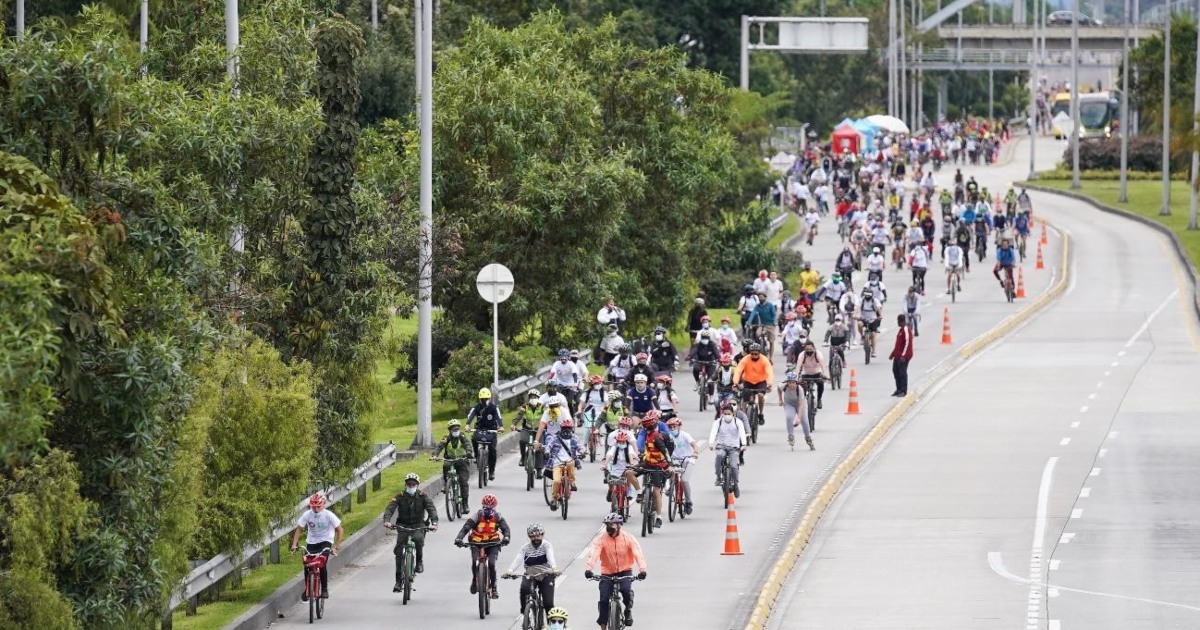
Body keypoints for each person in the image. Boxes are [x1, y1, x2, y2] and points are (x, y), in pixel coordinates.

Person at [584, 514, 648, 629]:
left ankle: (628, 610)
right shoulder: (601, 539)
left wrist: (642, 570)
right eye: (607, 525)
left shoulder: (628, 538)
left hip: (625, 571)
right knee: (603, 599)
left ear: (618, 526)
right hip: (607, 572)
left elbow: (638, 553)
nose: (608, 528)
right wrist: (589, 569)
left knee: (626, 591)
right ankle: (603, 626)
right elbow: (593, 553)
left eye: (611, 525)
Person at [382, 474, 438, 589]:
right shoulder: (400, 496)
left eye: (413, 484)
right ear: (406, 485)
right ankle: (398, 581)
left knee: (418, 539)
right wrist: (387, 521)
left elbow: (431, 509)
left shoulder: (423, 496)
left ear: (417, 485)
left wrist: (434, 523)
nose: (411, 486)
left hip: (418, 525)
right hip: (403, 526)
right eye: (409, 484)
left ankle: (419, 562)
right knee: (398, 552)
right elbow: (390, 508)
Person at [454, 494, 511, 599]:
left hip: (492, 543)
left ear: (495, 507)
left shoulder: (498, 516)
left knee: (492, 564)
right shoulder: (477, 516)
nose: (488, 509)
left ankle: (494, 587)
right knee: (475, 561)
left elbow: (505, 529)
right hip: (476, 542)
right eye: (485, 507)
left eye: (491, 507)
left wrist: (506, 538)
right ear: (482, 506)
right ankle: (475, 580)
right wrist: (459, 538)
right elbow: (466, 528)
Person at [291, 493, 344, 600]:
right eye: (313, 506)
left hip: (325, 541)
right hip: (312, 542)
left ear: (323, 505)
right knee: (307, 564)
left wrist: (336, 546)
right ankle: (307, 590)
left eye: (318, 506)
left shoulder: (328, 515)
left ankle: (324, 589)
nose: (315, 508)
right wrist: (294, 544)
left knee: (322, 564)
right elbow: (299, 529)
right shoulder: (307, 515)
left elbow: (340, 530)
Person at [503, 524, 559, 615]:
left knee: (548, 603)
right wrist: (510, 570)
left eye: (538, 536)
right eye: (532, 536)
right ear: (529, 537)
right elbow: (518, 559)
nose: (536, 538)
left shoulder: (546, 545)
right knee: (524, 588)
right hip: (530, 574)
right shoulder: (525, 547)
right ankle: (524, 612)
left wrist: (554, 568)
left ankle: (551, 626)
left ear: (542, 535)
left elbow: (550, 556)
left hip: (546, 574)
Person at [637, 412, 672, 527]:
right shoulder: (646, 434)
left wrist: (670, 464)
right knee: (629, 472)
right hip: (647, 464)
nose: (643, 428)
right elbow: (641, 446)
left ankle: (658, 517)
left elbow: (665, 451)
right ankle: (639, 494)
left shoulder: (656, 437)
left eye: (645, 426)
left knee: (657, 491)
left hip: (658, 466)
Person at [708, 404, 747, 496]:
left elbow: (742, 433)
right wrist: (711, 443)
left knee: (734, 466)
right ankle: (718, 477)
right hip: (722, 446)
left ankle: (736, 484)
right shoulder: (718, 422)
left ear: (733, 414)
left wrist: (744, 444)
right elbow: (713, 432)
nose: (727, 415)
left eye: (729, 414)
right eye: (725, 413)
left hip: (734, 448)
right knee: (719, 456)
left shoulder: (738, 422)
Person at [432, 419, 471, 510]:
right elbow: (439, 446)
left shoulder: (462, 436)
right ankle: (446, 484)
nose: (456, 431)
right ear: (449, 430)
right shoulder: (446, 438)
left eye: (457, 429)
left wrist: (469, 452)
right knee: (446, 465)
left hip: (462, 460)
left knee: (463, 482)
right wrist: (435, 455)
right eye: (453, 430)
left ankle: (465, 505)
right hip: (450, 460)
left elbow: (467, 444)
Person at [467, 388, 504, 481]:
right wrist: (467, 424)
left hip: (491, 431)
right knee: (473, 439)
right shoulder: (477, 407)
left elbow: (499, 418)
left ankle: (491, 471)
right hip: (479, 429)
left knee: (492, 450)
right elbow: (471, 416)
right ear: (480, 399)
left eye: (486, 399)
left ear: (489, 398)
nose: (484, 401)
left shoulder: (494, 407)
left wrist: (501, 426)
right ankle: (476, 456)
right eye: (482, 399)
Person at [546, 419, 584, 511]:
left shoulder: (574, 438)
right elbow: (549, 446)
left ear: (571, 429)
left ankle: (572, 482)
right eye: (564, 428)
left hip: (569, 460)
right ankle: (554, 498)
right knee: (556, 481)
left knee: (571, 463)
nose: (567, 430)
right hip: (557, 463)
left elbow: (579, 447)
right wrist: (547, 451)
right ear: (561, 429)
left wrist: (582, 451)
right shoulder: (555, 438)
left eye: (569, 428)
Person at [665, 417, 697, 515]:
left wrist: (695, 451)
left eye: (674, 426)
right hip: (674, 460)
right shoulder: (667, 436)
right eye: (670, 427)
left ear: (679, 427)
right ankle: (669, 487)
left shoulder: (685, 435)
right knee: (668, 472)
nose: (672, 429)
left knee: (684, 480)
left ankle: (688, 502)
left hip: (688, 459)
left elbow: (693, 444)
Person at [733, 343, 774, 418]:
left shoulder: (764, 360)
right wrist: (735, 382)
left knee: (760, 395)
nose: (753, 355)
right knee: (745, 401)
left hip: (761, 381)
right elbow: (738, 370)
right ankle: (745, 417)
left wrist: (769, 383)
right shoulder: (745, 359)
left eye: (756, 354)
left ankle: (761, 413)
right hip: (748, 381)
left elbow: (769, 372)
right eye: (752, 354)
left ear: (759, 353)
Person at [777, 372, 815, 451]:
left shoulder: (800, 389)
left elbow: (801, 405)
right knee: (789, 417)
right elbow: (778, 388)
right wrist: (780, 399)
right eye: (789, 382)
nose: (791, 385)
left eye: (793, 382)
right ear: (787, 382)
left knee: (804, 421)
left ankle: (808, 437)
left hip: (799, 404)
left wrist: (798, 418)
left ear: (796, 382)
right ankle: (791, 436)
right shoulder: (783, 386)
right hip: (789, 404)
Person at [603, 430, 641, 505]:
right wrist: (605, 464)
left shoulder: (629, 447)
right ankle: (611, 494)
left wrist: (632, 464)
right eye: (619, 442)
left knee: (628, 474)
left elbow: (631, 455)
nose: (621, 443)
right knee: (610, 480)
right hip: (615, 469)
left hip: (625, 469)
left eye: (623, 442)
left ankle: (629, 491)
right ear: (617, 441)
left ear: (626, 441)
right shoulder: (614, 447)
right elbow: (609, 455)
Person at [513, 390, 543, 471]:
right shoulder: (525, 406)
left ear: (538, 398)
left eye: (535, 397)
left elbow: (547, 416)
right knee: (522, 441)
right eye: (531, 397)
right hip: (527, 429)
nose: (533, 398)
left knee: (539, 448)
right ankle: (523, 458)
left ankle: (539, 470)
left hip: (538, 430)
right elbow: (519, 415)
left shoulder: (542, 406)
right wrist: (514, 424)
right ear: (529, 398)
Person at [795, 338, 828, 410]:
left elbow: (822, 365)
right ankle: (802, 402)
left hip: (817, 373)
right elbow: (798, 366)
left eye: (810, 349)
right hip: (806, 374)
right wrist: (796, 376)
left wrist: (824, 374)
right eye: (807, 350)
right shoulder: (802, 355)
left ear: (814, 348)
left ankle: (819, 399)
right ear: (804, 349)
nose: (809, 351)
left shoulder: (818, 354)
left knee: (820, 383)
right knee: (801, 387)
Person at [888, 313, 914, 397]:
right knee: (895, 371)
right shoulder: (901, 329)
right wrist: (892, 354)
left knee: (902, 372)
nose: (897, 323)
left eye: (898, 321)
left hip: (904, 356)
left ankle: (903, 390)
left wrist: (904, 355)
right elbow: (898, 344)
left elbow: (907, 343)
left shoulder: (906, 329)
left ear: (901, 321)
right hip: (897, 355)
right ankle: (898, 389)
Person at [747, 292, 778, 356]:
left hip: (771, 325)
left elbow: (774, 314)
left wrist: (774, 321)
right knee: (757, 334)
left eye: (761, 297)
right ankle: (760, 347)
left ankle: (771, 357)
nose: (760, 298)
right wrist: (749, 322)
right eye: (759, 297)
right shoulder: (757, 306)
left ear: (765, 298)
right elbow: (753, 314)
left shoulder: (770, 305)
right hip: (762, 325)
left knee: (771, 341)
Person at [858, 288, 883, 357]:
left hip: (873, 319)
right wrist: (855, 314)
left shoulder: (875, 300)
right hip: (863, 319)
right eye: (866, 295)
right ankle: (862, 336)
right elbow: (857, 308)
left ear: (871, 295)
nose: (867, 297)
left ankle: (874, 351)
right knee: (859, 324)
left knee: (873, 334)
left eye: (868, 295)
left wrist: (880, 315)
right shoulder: (861, 300)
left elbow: (879, 308)